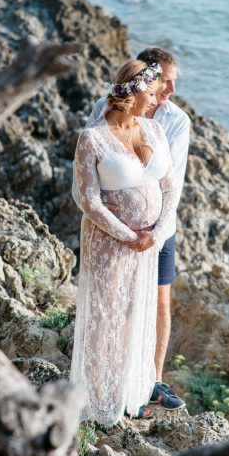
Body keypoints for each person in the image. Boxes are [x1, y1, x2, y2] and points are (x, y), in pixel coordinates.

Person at [72, 48, 190, 411]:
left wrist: (155, 232)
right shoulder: (95, 133)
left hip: (153, 237)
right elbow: (89, 197)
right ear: (135, 90)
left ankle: (139, 388)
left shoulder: (162, 126)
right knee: (105, 315)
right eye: (155, 89)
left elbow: (172, 184)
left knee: (143, 310)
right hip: (113, 241)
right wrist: (129, 235)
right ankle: (98, 396)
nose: (160, 96)